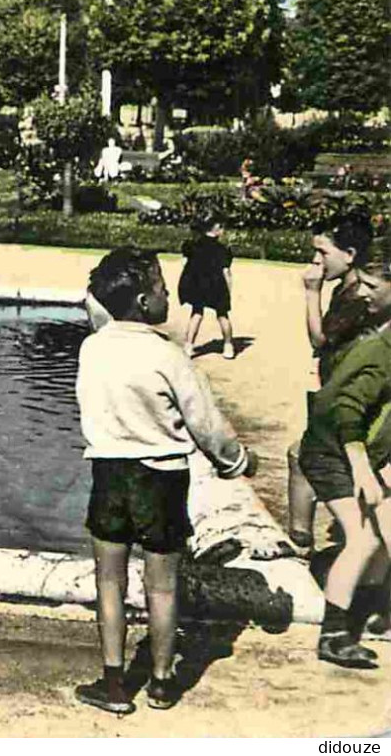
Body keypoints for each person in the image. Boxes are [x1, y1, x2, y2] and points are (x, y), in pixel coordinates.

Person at [74, 248, 254, 715]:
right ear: (141, 300)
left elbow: (97, 306)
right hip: (162, 479)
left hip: (110, 476)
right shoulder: (168, 356)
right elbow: (206, 424)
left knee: (108, 582)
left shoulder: (93, 347)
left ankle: (114, 685)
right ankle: (161, 681)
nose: (167, 294)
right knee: (163, 585)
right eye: (159, 287)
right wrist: (236, 462)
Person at [296, 269, 391, 668]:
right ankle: (333, 635)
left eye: (372, 286)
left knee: (387, 533)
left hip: (359, 451)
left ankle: (368, 614)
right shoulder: (382, 349)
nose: (362, 292)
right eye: (364, 284)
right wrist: (363, 471)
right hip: (331, 450)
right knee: (366, 537)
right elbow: (347, 410)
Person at [290, 215, 384, 550]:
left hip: (349, 389)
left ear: (350, 254)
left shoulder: (358, 296)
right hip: (341, 383)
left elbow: (319, 339)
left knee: (306, 454)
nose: (316, 261)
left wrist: (311, 292)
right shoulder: (350, 288)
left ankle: (301, 541)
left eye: (322, 253)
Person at [178, 219, 236, 359]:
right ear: (216, 228)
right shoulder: (223, 249)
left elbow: (184, 264)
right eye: (221, 227)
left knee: (196, 313)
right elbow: (226, 271)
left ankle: (189, 346)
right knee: (222, 315)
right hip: (216, 284)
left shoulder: (192, 245)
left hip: (198, 283)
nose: (223, 230)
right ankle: (228, 346)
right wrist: (228, 289)